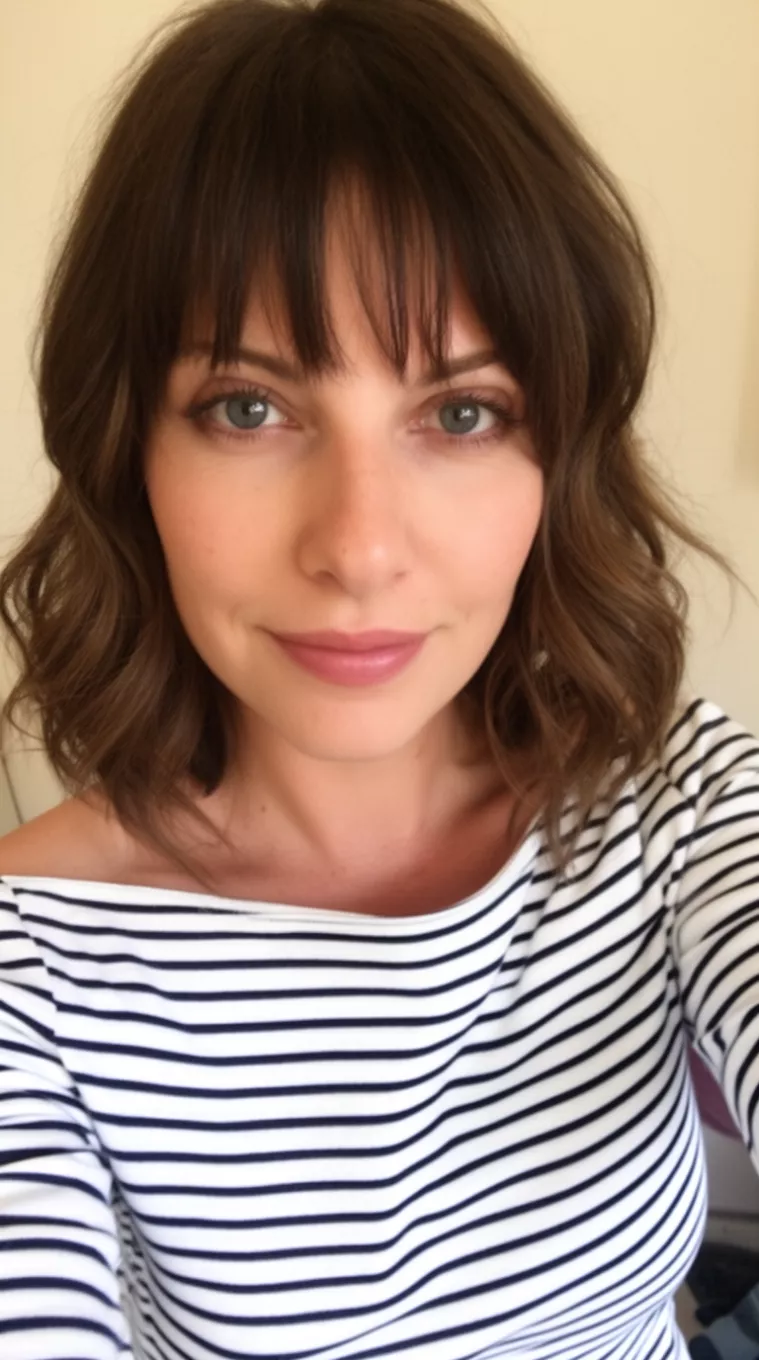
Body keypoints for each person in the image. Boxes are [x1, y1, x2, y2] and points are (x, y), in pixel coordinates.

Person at [0, 0, 757, 1355]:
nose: (357, 548)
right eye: (248, 408)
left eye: (461, 413)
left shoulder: (674, 801)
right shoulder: (31, 962)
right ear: (128, 452)